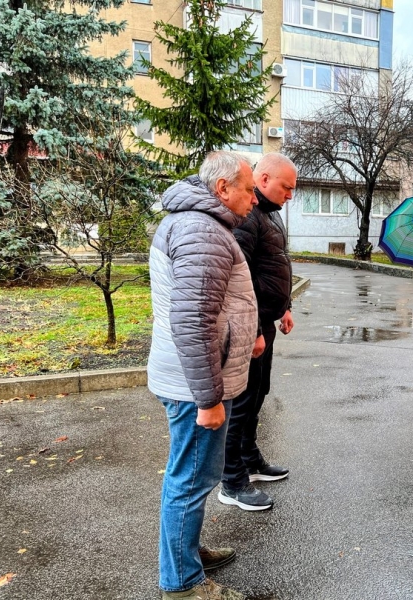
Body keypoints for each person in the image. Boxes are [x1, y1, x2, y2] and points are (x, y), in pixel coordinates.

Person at [147, 151, 259, 600]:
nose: (253, 199)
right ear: (222, 190)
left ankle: (185, 552)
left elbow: (215, 306)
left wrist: (247, 331)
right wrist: (209, 399)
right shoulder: (202, 230)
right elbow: (193, 320)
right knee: (190, 480)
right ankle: (183, 583)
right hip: (196, 385)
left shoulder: (200, 223)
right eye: (249, 189)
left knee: (192, 476)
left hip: (194, 377)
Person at [219, 153, 297, 511]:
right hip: (250, 327)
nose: (291, 195)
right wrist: (252, 332)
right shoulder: (248, 218)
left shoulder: (269, 215)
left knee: (259, 392)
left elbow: (275, 264)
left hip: (265, 320)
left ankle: (250, 460)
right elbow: (240, 279)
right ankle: (231, 480)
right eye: (287, 187)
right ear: (263, 180)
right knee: (242, 400)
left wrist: (286, 307)